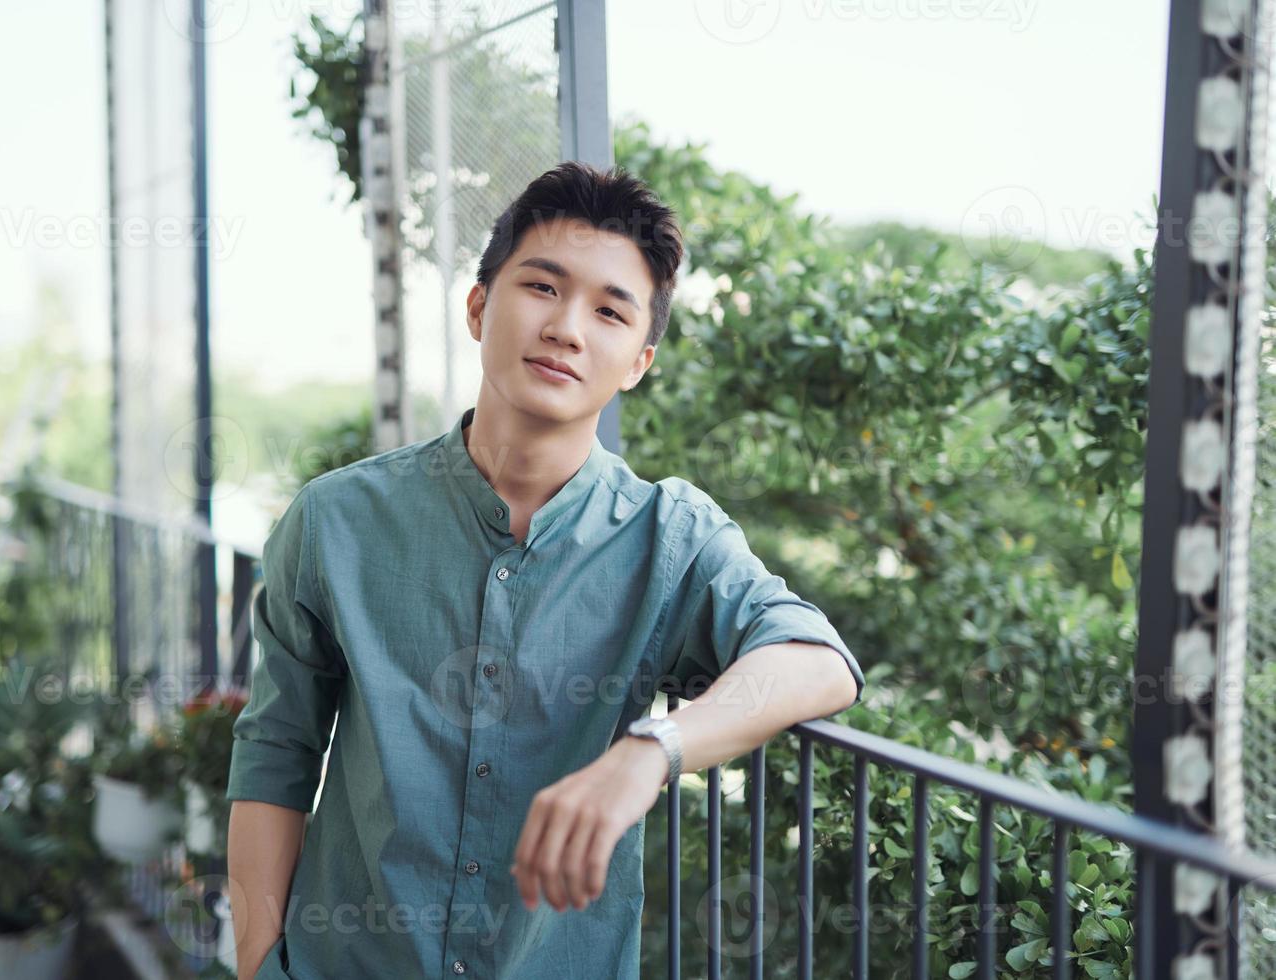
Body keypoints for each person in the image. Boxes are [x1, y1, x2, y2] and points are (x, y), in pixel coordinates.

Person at [225, 161, 865, 980]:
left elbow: (817, 662)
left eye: (610, 310)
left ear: (638, 361)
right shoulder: (334, 521)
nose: (568, 328)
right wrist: (255, 966)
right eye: (542, 287)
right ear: (479, 306)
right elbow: (276, 750)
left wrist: (648, 753)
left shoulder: (670, 537)